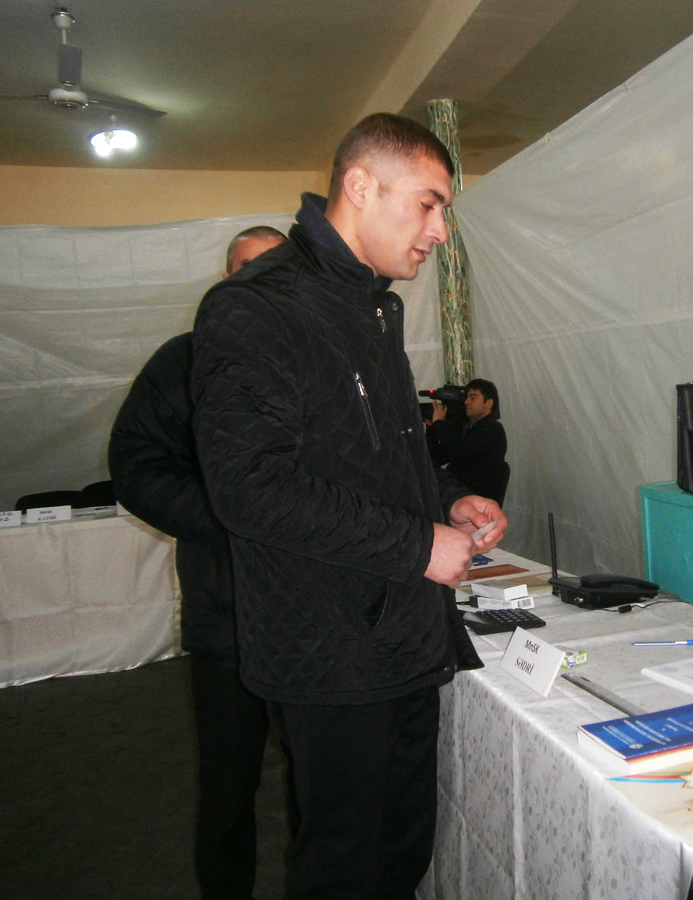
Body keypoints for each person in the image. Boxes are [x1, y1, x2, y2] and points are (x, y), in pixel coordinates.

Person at [188, 113, 507, 900]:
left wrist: (450, 499)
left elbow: (381, 460)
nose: (438, 232)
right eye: (428, 204)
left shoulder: (370, 304)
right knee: (343, 864)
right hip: (326, 644)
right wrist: (414, 544)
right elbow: (249, 487)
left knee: (402, 848)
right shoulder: (256, 308)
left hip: (399, 629)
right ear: (360, 186)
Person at [108, 224, 286, 900]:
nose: (261, 284)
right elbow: (136, 468)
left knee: (326, 789)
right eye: (248, 269)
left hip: (319, 625)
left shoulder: (317, 362)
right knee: (227, 788)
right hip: (227, 620)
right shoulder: (179, 364)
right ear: (223, 281)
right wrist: (230, 519)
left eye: (277, 272)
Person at [424, 378, 508, 504]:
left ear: (489, 403)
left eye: (473, 398)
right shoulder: (469, 429)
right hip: (457, 496)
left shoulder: (493, 430)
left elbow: (457, 449)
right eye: (467, 397)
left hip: (473, 501)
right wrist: (431, 429)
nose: (466, 402)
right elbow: (436, 458)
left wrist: (439, 423)